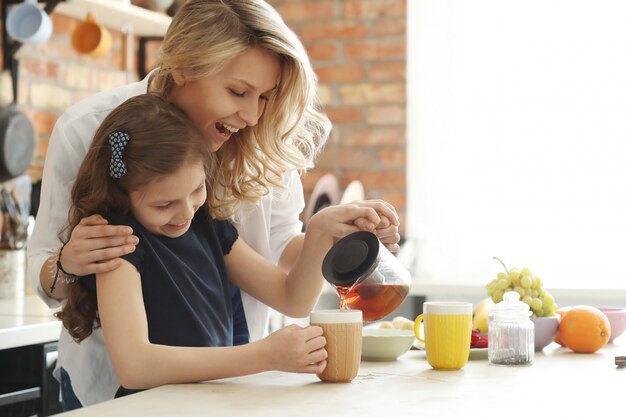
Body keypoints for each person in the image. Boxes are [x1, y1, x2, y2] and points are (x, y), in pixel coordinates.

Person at [27, 0, 400, 409]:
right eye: (238, 91)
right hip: (121, 398)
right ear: (184, 66)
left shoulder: (222, 201)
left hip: (234, 390)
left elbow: (288, 275)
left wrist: (328, 233)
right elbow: (125, 354)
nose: (254, 116)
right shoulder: (96, 150)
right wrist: (69, 262)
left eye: (265, 96)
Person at [56, 93, 383, 397]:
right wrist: (264, 355)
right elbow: (135, 367)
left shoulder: (208, 226)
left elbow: (292, 298)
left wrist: (320, 231)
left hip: (212, 403)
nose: (185, 212)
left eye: (196, 190)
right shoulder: (119, 242)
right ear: (122, 194)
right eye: (163, 204)